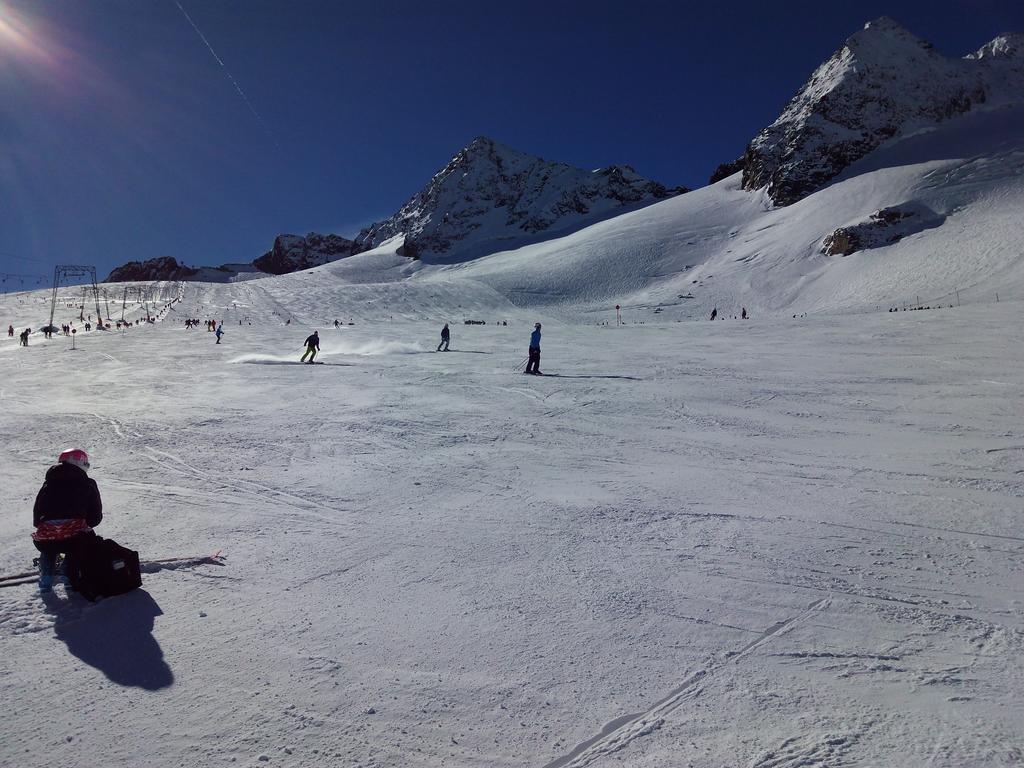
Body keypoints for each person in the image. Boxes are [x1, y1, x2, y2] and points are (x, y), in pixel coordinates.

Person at [32, 448, 102, 593]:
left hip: (45, 535)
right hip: (73, 536)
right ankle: (69, 574)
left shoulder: (49, 483)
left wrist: (42, 525)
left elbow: (38, 509)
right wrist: (88, 523)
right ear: (80, 463)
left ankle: (46, 577)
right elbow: (95, 515)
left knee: (49, 546)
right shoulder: (87, 483)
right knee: (78, 540)